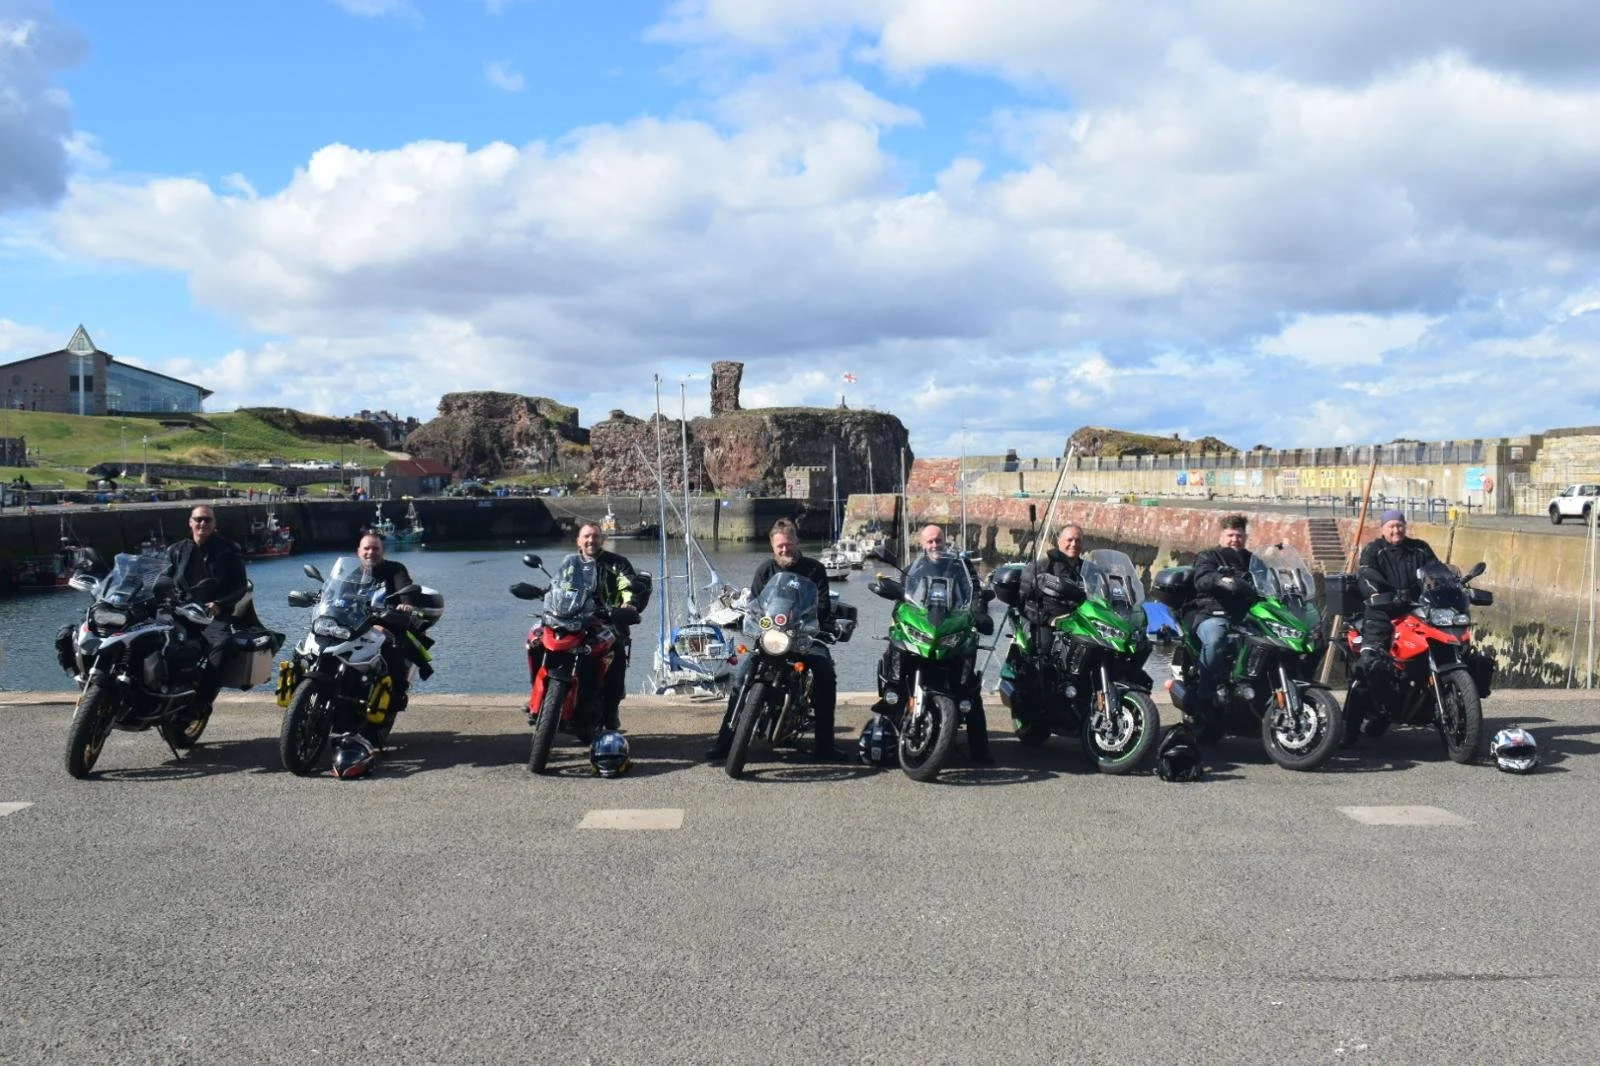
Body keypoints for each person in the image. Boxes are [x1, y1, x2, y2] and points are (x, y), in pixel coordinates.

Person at [707, 518, 838, 761]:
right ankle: (724, 742)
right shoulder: (765, 570)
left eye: (788, 544)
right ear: (772, 547)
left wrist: (809, 621)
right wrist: (755, 624)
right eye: (780, 546)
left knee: (825, 674)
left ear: (797, 542)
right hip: (771, 637)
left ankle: (825, 746)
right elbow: (754, 605)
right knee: (740, 678)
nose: (785, 550)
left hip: (802, 638)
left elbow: (822, 606)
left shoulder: (815, 570)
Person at [898, 524, 993, 764]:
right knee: (895, 656)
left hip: (952, 631)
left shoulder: (960, 567)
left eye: (938, 541)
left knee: (969, 688)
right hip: (922, 631)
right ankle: (888, 731)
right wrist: (899, 615)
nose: (934, 545)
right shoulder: (913, 570)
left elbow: (976, 594)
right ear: (922, 544)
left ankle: (980, 750)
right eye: (930, 541)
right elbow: (903, 599)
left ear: (945, 541)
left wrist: (978, 613)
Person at [1348, 509, 1440, 740]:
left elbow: (1437, 571)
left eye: (1399, 525)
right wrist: (1380, 594)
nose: (1396, 530)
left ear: (1405, 525)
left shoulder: (1420, 548)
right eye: (1391, 526)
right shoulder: (1374, 550)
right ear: (1383, 529)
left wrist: (1449, 585)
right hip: (1381, 613)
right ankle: (1350, 730)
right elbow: (1366, 574)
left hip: (1416, 611)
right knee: (1368, 665)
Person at [161, 505, 248, 719]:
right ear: (190, 522)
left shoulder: (228, 551)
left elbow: (240, 586)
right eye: (198, 519)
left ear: (214, 524)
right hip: (179, 611)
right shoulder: (176, 550)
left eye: (207, 520)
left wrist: (219, 602)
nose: (203, 524)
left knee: (222, 644)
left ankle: (201, 702)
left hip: (212, 615)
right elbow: (161, 577)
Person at [1184, 514, 1257, 732]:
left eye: (1239, 535)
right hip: (1213, 613)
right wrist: (1220, 580)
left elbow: (1268, 579)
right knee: (1216, 638)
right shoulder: (1209, 556)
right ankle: (1205, 694)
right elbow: (1202, 578)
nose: (1235, 539)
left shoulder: (1254, 560)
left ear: (1245, 536)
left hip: (1246, 616)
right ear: (1221, 536)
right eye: (1230, 535)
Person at [356, 533, 433, 720]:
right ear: (359, 551)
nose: (370, 552)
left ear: (382, 551)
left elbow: (405, 587)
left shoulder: (395, 569)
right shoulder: (351, 573)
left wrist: (405, 603)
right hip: (355, 625)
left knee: (392, 648)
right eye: (366, 548)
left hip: (386, 623)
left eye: (375, 548)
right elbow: (335, 592)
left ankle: (396, 694)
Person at [575, 522, 643, 732]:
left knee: (616, 658)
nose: (590, 541)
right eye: (586, 536)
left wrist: (628, 603)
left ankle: (611, 711)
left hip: (609, 622)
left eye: (595, 536)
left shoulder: (617, 563)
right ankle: (542, 698)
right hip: (575, 621)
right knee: (540, 641)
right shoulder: (571, 565)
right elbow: (559, 585)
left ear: (602, 540)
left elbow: (628, 584)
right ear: (578, 540)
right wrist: (546, 592)